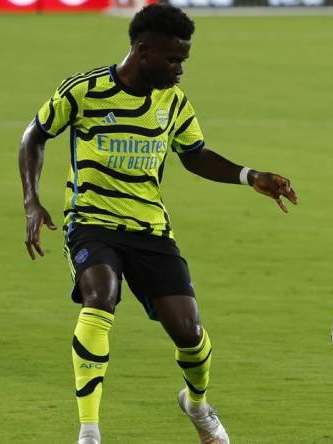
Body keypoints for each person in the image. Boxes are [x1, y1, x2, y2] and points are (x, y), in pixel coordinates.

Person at [18, 4, 298, 444]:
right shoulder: (86, 90)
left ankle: (197, 405)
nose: (180, 69)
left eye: (183, 60)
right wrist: (32, 201)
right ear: (144, 52)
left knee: (188, 332)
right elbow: (34, 134)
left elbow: (193, 155)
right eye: (173, 60)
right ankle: (89, 432)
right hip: (91, 221)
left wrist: (251, 176)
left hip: (149, 229)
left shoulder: (173, 101)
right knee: (99, 297)